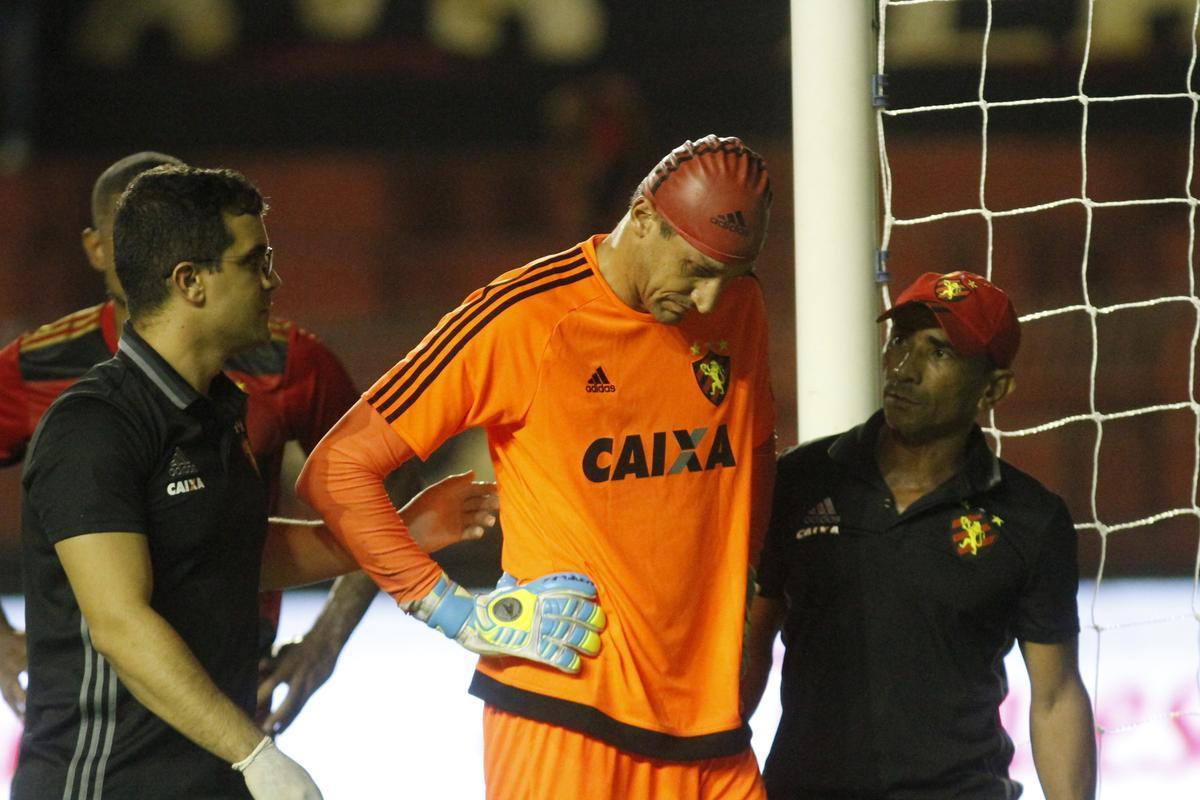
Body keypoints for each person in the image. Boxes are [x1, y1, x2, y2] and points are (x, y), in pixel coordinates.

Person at [297, 135, 778, 799]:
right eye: (696, 270)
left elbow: (752, 452)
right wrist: (450, 609)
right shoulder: (525, 318)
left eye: (730, 273)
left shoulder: (738, 304)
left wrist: (747, 592)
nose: (707, 300)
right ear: (641, 217)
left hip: (710, 724)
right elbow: (338, 468)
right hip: (564, 717)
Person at [12, 164, 499, 799]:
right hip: (105, 781)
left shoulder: (222, 408)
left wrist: (400, 534)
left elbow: (236, 551)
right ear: (190, 282)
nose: (274, 280)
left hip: (215, 767)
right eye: (254, 262)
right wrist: (255, 755)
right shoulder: (94, 426)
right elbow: (119, 623)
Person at [0, 151, 398, 734]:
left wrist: (324, 642)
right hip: (96, 704)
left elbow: (370, 493)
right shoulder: (43, 371)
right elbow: (124, 616)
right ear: (96, 249)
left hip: (239, 682)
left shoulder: (282, 364)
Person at [743, 271, 1097, 799]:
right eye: (900, 340)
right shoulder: (800, 479)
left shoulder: (1030, 518)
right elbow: (751, 644)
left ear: (993, 388)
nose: (904, 368)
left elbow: (1055, 697)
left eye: (939, 353)